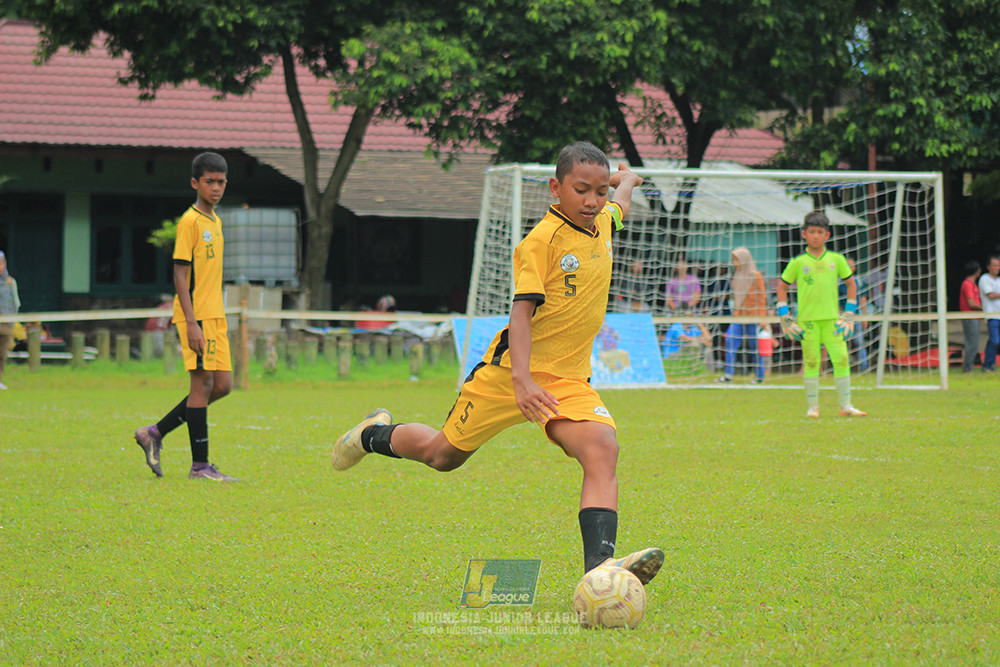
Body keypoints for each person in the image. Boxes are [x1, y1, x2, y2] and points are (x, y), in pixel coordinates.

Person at [331, 142, 663, 585]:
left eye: (600, 191)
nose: (592, 201)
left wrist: (627, 183)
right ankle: (372, 433)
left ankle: (600, 573)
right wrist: (523, 382)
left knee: (603, 448)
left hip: (567, 381)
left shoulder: (603, 221)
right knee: (442, 455)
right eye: (581, 190)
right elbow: (520, 316)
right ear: (555, 187)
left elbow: (618, 204)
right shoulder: (540, 242)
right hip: (509, 374)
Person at [133, 152, 237, 481]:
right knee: (201, 384)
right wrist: (191, 322)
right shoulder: (189, 222)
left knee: (222, 386)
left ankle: (155, 432)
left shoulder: (215, 221)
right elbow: (180, 276)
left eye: (221, 182)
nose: (216, 187)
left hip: (215, 315)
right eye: (210, 182)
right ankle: (200, 466)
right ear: (196, 183)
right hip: (197, 317)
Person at [776, 212, 866, 418]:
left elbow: (851, 284)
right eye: (811, 232)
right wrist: (785, 317)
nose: (815, 236)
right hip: (807, 321)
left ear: (827, 235)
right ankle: (812, 407)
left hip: (832, 321)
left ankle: (846, 406)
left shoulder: (837, 259)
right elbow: (781, 288)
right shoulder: (798, 262)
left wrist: (850, 312)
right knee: (811, 361)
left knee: (841, 359)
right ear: (804, 234)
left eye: (819, 232)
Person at [717, 247, 767, 383]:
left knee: (754, 346)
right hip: (739, 316)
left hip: (753, 316)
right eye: (733, 260)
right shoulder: (736, 276)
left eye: (737, 259)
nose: (735, 262)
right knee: (730, 341)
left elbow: (762, 297)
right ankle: (728, 375)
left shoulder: (756, 276)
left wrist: (763, 318)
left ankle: (759, 376)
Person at [837, 257, 869, 372]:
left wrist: (864, 317)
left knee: (859, 341)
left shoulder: (859, 281)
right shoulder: (839, 283)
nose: (850, 268)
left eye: (852, 265)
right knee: (841, 342)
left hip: (856, 316)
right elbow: (839, 302)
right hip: (843, 317)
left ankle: (864, 366)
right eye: (848, 265)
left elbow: (863, 299)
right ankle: (843, 366)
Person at [0, 251, 20, 390]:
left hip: (6, 324)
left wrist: (12, 321)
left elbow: (15, 303)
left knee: (2, 354)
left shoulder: (10, 282)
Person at [959, 260, 983, 372]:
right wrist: (984, 309)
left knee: (973, 342)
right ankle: (968, 368)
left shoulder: (973, 284)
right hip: (970, 317)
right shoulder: (967, 284)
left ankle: (969, 366)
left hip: (974, 317)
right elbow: (971, 303)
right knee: (972, 343)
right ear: (975, 271)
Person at [978, 255, 1000, 372]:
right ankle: (987, 365)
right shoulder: (984, 279)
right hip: (992, 315)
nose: (997, 267)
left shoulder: (998, 280)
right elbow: (990, 295)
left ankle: (991, 364)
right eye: (995, 265)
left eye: (999, 265)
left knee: (995, 341)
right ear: (988, 267)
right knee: (995, 340)